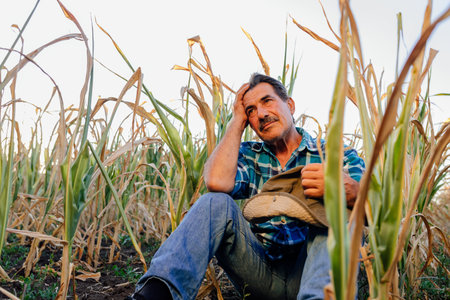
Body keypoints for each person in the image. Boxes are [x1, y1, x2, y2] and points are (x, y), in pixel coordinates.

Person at [131, 73, 365, 300]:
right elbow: (216, 181)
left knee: (337, 214)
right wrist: (237, 121)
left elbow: (378, 211)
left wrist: (353, 192)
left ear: (290, 106)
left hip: (313, 274)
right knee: (215, 202)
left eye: (267, 101)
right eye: (251, 111)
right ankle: (155, 295)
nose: (261, 114)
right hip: (261, 275)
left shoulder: (336, 155)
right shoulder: (248, 155)